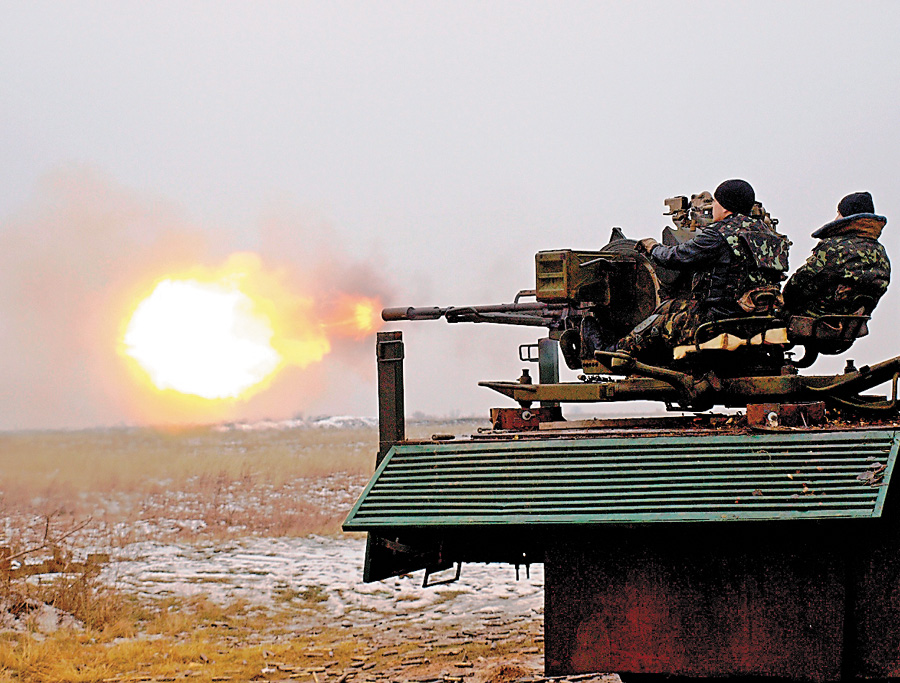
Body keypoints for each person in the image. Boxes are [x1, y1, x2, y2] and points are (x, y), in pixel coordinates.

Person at [609, 178, 791, 363]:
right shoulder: (771, 236)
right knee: (667, 307)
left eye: (715, 202)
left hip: (717, 321)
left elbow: (675, 257)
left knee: (657, 322)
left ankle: (614, 352)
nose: (712, 207)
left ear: (726, 207)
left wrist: (653, 247)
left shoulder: (719, 234)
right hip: (758, 321)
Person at [782, 191, 890, 322]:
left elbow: (800, 283)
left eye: (839, 213)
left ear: (847, 216)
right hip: (853, 322)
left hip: (820, 319)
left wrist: (783, 301)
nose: (836, 218)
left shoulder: (835, 247)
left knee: (777, 314)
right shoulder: (880, 251)